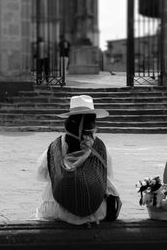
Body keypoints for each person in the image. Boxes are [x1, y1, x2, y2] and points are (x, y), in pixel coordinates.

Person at [35, 95, 121, 225]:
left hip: (57, 209)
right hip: (96, 211)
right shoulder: (100, 148)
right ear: (92, 124)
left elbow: (42, 174)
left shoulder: (55, 147)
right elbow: (106, 177)